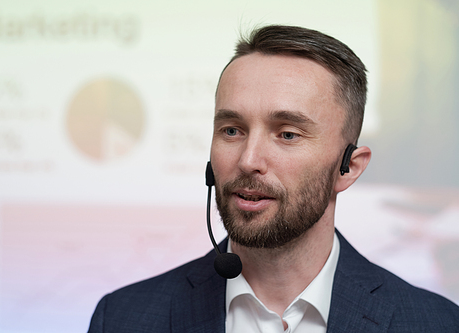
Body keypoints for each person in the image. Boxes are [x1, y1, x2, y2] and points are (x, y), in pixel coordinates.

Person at [88, 25, 459, 332]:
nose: (248, 160)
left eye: (287, 134)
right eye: (232, 130)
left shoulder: (435, 324)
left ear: (350, 168)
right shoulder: (122, 319)